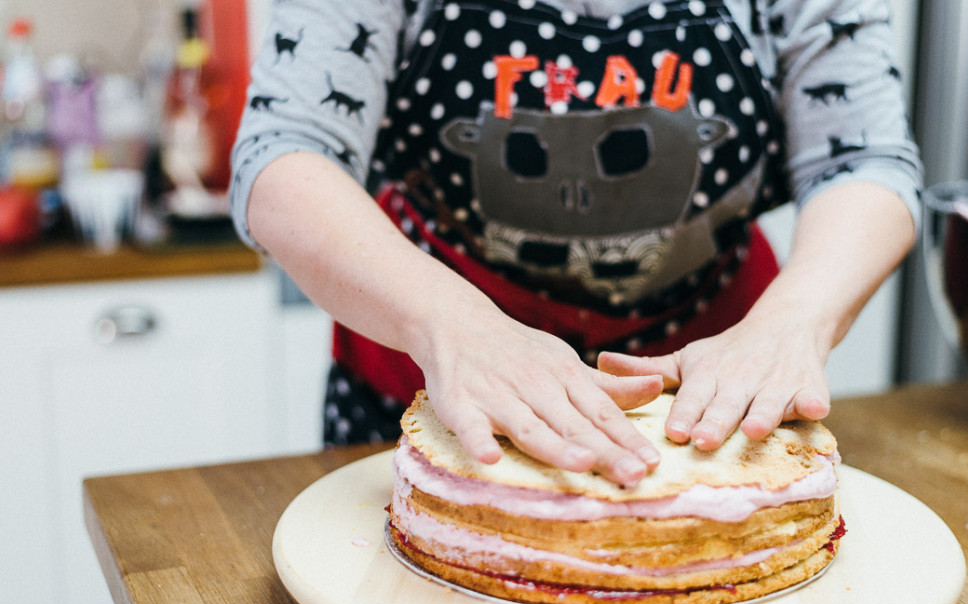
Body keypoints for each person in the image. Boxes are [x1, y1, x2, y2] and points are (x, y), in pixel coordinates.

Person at [230, 0, 920, 487]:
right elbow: (284, 155)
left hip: (705, 402)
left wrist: (792, 323)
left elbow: (864, 163)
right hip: (427, 389)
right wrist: (454, 325)